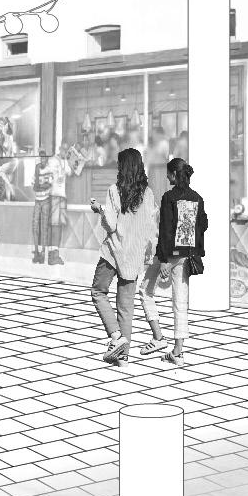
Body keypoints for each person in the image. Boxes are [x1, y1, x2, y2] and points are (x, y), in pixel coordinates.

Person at [89, 146, 157, 364]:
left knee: (98, 292)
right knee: (126, 308)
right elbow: (150, 227)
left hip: (112, 253)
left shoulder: (114, 190)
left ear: (123, 167)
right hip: (133, 257)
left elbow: (110, 224)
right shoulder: (148, 194)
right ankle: (123, 356)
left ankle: (116, 336)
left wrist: (99, 209)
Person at [148, 156, 208, 366]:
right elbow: (204, 224)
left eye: (168, 174)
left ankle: (158, 337)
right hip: (187, 257)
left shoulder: (169, 197)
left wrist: (164, 259)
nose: (167, 177)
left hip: (170, 255)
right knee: (180, 304)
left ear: (174, 174)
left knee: (146, 290)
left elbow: (165, 229)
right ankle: (178, 352)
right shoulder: (197, 198)